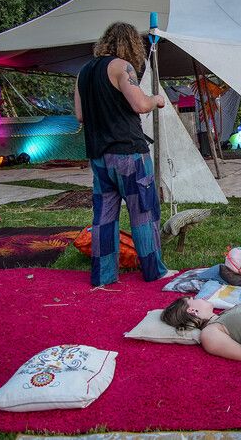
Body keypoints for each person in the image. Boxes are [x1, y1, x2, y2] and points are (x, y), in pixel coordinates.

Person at [74, 22, 168, 286]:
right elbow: (139, 104)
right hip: (129, 153)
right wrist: (156, 99)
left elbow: (80, 115)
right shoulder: (121, 67)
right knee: (144, 213)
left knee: (104, 218)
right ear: (131, 44)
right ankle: (154, 272)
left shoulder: (83, 72)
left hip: (99, 156)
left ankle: (104, 276)